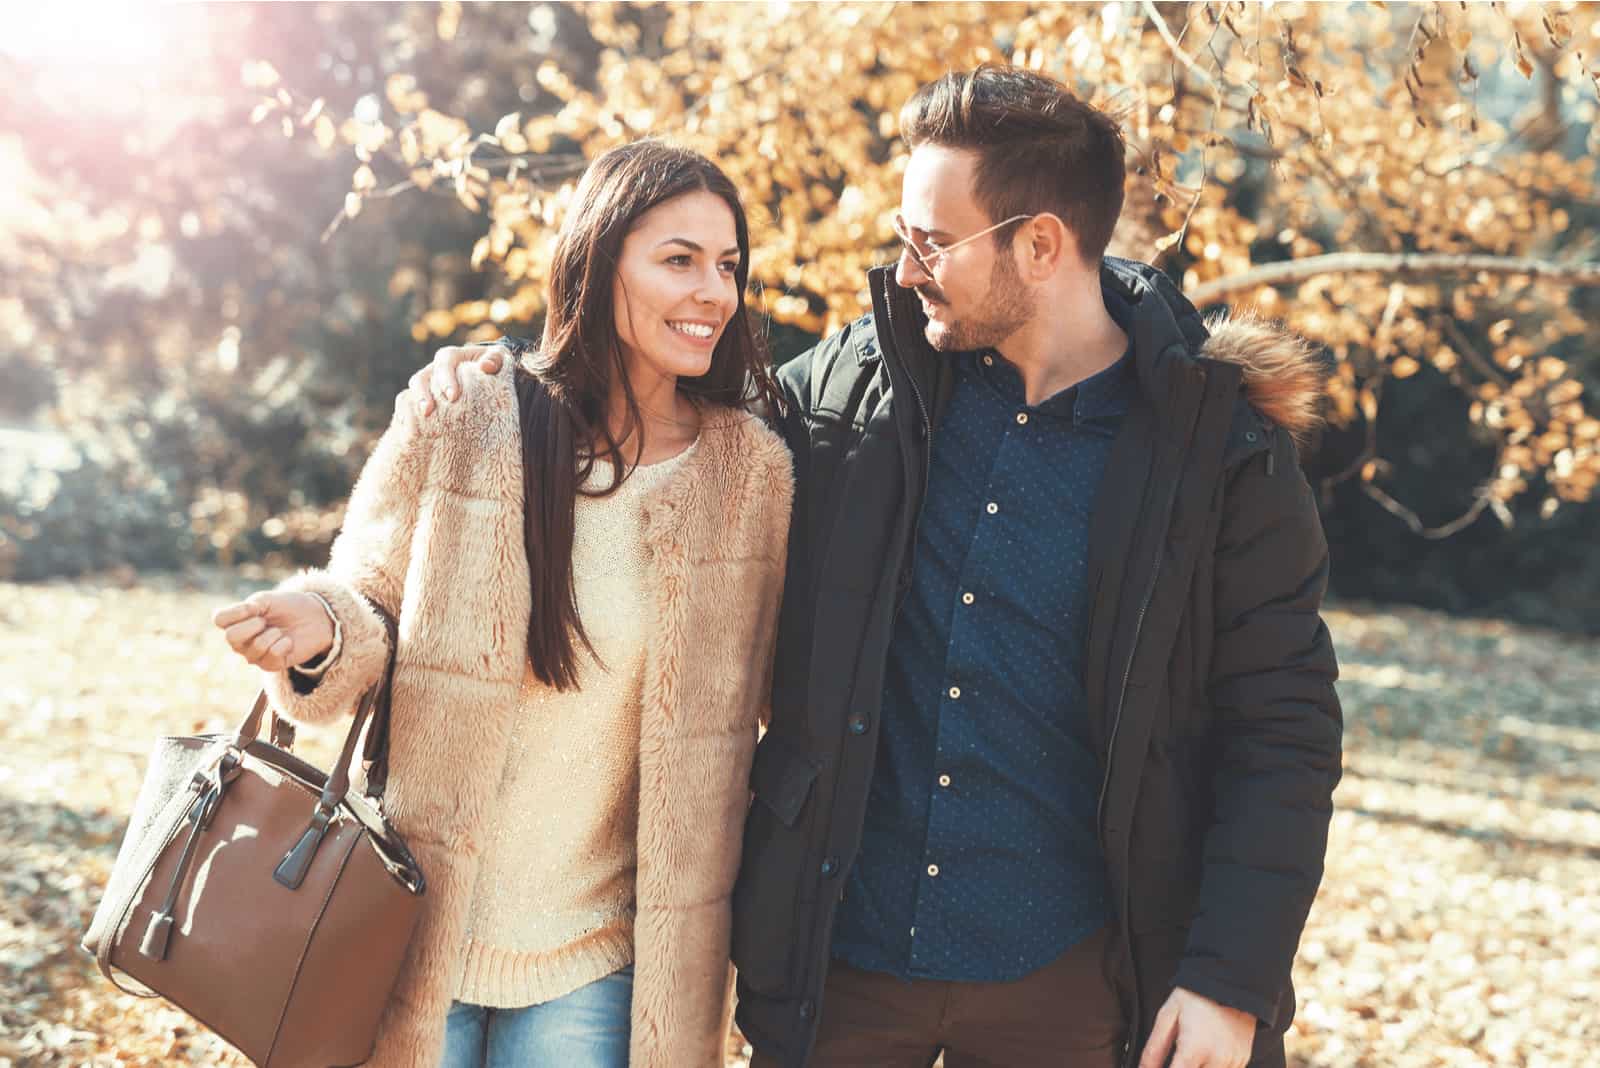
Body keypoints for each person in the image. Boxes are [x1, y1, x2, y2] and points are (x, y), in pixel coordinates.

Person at [415, 65, 1342, 1068]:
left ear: (1040, 245)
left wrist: (1227, 982)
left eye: (933, 243)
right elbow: (657, 431)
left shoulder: (1219, 456)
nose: (904, 270)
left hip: (1077, 985)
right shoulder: (851, 392)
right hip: (839, 972)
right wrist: (506, 383)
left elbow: (1283, 733)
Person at [211, 139, 793, 1068]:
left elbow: (784, 693)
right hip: (404, 932)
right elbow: (368, 597)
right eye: (678, 260)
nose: (714, 292)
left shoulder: (750, 472)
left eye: (728, 266)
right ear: (599, 262)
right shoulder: (471, 415)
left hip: (599, 966)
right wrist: (321, 628)